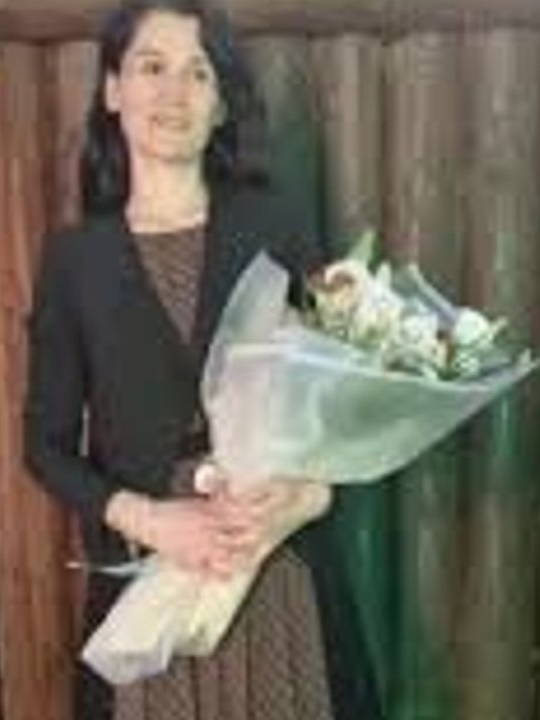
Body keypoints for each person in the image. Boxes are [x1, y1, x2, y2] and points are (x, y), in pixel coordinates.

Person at [22, 1, 381, 719]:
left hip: (279, 571)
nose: (173, 92)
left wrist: (303, 499)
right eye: (152, 67)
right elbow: (45, 447)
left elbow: (344, 402)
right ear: (113, 89)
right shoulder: (74, 261)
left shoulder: (275, 222)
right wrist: (153, 521)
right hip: (151, 587)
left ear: (219, 106)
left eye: (198, 73)